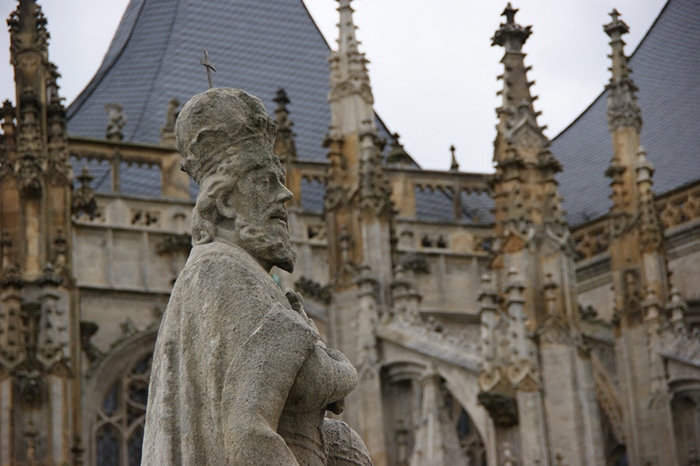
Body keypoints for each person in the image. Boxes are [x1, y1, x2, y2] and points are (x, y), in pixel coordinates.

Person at [142, 88, 372, 465]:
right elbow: (249, 430)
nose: (287, 196)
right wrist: (340, 371)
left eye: (281, 180)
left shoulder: (232, 273)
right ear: (227, 202)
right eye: (267, 182)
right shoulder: (224, 271)